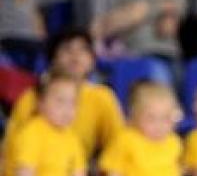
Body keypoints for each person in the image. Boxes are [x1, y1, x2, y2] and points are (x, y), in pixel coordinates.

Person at [5, 72, 132, 176]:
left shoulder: (72, 139)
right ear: (40, 103)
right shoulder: (31, 133)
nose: (67, 109)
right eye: (60, 101)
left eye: (73, 103)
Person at [5, 28, 124, 161]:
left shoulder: (102, 97)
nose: (75, 56)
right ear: (53, 60)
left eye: (83, 49)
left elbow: (118, 144)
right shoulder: (33, 96)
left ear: (92, 61)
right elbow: (11, 146)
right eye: (67, 49)